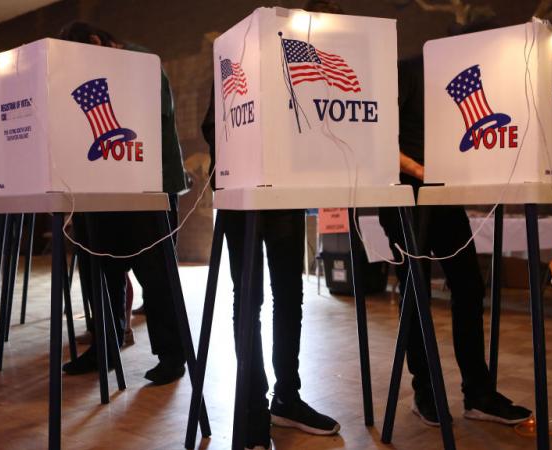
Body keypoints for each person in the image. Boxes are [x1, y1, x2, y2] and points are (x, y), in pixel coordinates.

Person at [200, 2, 342, 447]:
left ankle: (287, 399)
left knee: (290, 294)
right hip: (244, 194)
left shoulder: (312, 61)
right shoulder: (246, 49)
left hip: (287, 194)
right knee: (250, 299)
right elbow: (213, 125)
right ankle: (252, 410)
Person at [378, 21, 532, 427]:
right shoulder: (408, 70)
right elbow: (377, 136)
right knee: (417, 293)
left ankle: (477, 394)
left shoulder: (458, 80)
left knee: (469, 285)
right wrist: (418, 169)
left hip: (442, 199)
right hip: (403, 197)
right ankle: (424, 393)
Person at [59, 22, 190, 385]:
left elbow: (151, 115)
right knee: (100, 270)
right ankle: (105, 347)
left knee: (156, 276)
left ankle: (172, 355)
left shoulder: (140, 59)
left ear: (97, 42)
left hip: (147, 186)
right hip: (101, 183)